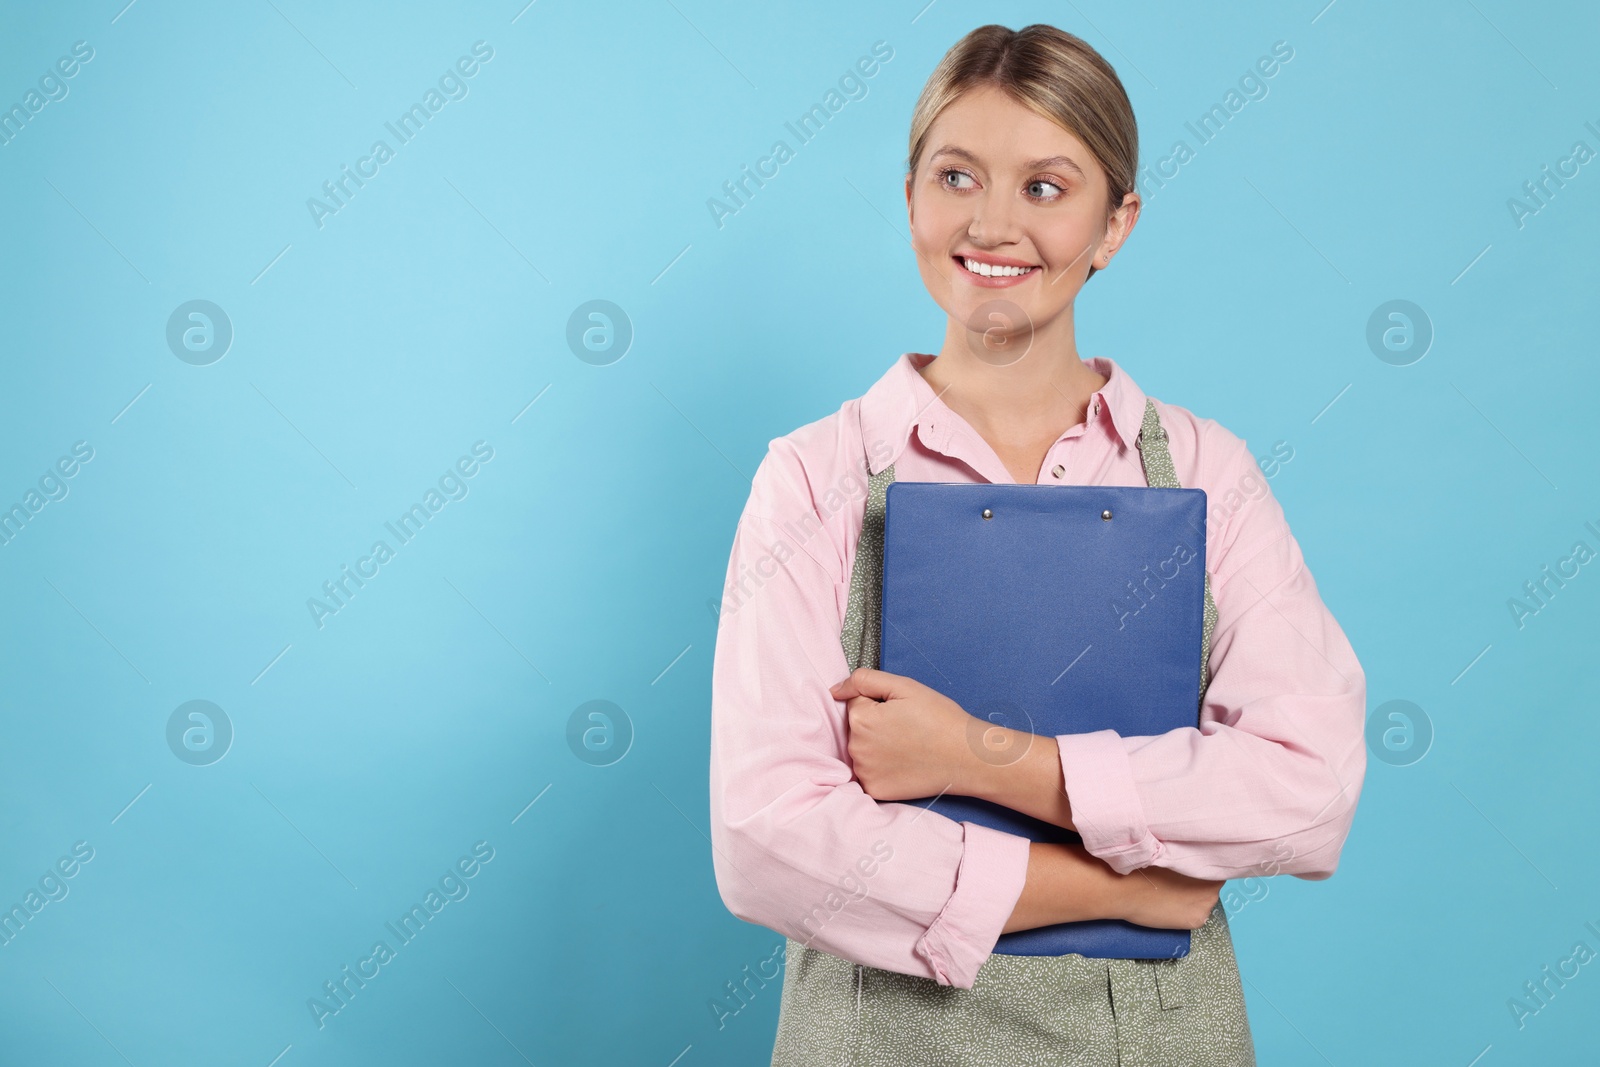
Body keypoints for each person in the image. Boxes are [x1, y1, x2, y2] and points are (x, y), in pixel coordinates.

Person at [708, 22, 1366, 1066]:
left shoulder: (1206, 472)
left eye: (1046, 187)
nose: (991, 223)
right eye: (955, 175)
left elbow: (1306, 788)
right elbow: (766, 842)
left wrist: (985, 757)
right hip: (876, 1037)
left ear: (1116, 223)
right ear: (910, 195)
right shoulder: (813, 478)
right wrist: (1119, 884)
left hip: (1156, 1039)